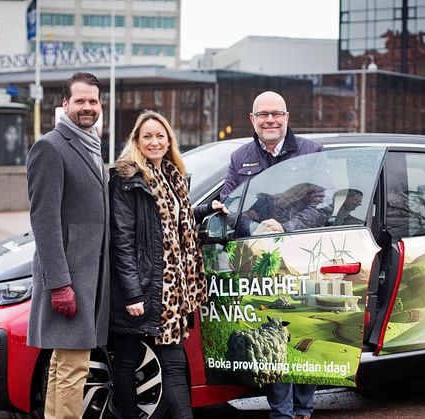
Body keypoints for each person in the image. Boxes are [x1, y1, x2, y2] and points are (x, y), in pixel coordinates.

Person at [200, 91, 321, 419]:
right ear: (252, 120)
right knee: (274, 330)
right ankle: (282, 411)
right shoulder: (241, 157)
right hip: (261, 260)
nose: (270, 120)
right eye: (263, 115)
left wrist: (284, 225)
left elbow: (322, 205)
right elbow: (230, 201)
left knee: (302, 331)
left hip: (303, 256)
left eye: (276, 114)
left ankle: (304, 409)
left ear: (287, 118)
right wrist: (254, 227)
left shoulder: (312, 152)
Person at [109, 110, 206, 419]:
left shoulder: (175, 177)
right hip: (141, 289)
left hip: (172, 292)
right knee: (125, 361)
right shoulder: (125, 178)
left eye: (160, 136)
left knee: (175, 366)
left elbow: (175, 223)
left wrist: (206, 210)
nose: (154, 141)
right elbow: (122, 241)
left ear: (169, 141)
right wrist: (133, 294)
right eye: (147, 136)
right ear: (136, 141)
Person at [25, 72, 110, 419]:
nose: (87, 107)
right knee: (72, 367)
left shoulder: (91, 144)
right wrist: (60, 284)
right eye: (80, 101)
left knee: (66, 365)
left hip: (89, 276)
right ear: (65, 104)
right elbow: (43, 221)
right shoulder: (51, 146)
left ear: (100, 105)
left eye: (93, 101)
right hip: (71, 279)